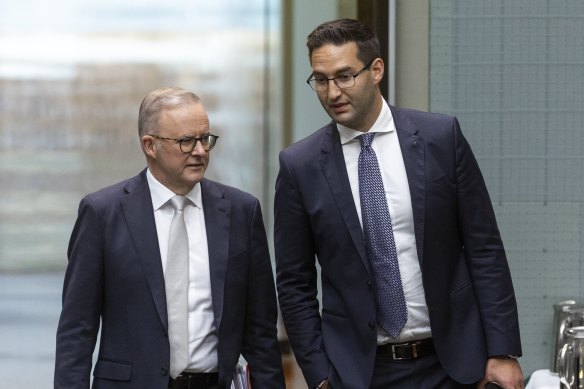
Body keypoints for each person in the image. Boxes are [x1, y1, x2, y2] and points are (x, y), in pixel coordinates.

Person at [274, 18, 523, 389]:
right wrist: (320, 375)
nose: (332, 92)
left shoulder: (440, 138)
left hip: (453, 363)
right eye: (321, 80)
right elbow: (295, 283)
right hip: (361, 372)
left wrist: (502, 351)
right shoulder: (300, 166)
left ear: (376, 70)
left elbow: (484, 247)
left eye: (344, 76)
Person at [55, 87, 285, 389]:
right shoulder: (103, 214)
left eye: (205, 139)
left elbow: (261, 330)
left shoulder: (241, 211)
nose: (200, 151)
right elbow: (77, 330)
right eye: (186, 141)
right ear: (150, 145)